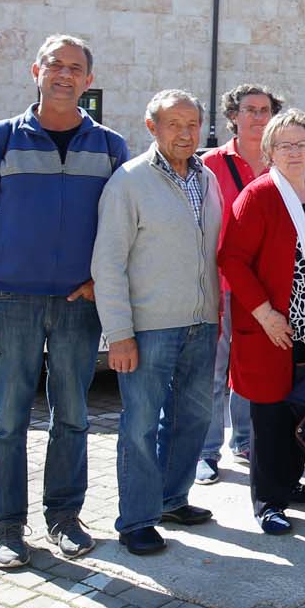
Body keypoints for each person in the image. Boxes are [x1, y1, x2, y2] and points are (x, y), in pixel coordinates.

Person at [0, 35, 131, 569]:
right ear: (36, 71)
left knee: (73, 415)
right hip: (9, 301)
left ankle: (64, 516)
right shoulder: (0, 139)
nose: (64, 75)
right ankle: (7, 528)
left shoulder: (109, 147)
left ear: (88, 80)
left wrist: (104, 283)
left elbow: (125, 228)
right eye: (55, 65)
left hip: (79, 305)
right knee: (7, 421)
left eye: (75, 68)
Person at [92, 90, 223, 557]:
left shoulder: (207, 179)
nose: (185, 133)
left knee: (194, 418)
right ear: (152, 127)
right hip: (148, 329)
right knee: (141, 425)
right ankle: (137, 519)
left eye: (192, 124)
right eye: (174, 124)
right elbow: (108, 263)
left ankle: (172, 498)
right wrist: (119, 334)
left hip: (201, 325)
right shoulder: (128, 182)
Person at [220, 110, 305, 535]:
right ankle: (268, 501)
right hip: (271, 328)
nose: (294, 152)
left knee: (300, 412)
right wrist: (265, 313)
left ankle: (290, 484)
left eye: (302, 144)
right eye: (284, 145)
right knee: (270, 420)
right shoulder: (257, 196)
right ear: (269, 150)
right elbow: (232, 260)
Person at [197, 83, 279, 482]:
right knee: (213, 371)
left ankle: (244, 440)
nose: (258, 117)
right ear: (233, 116)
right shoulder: (210, 163)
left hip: (263, 289)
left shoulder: (280, 163)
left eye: (265, 110)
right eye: (250, 110)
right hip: (219, 285)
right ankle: (206, 451)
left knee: (249, 368)